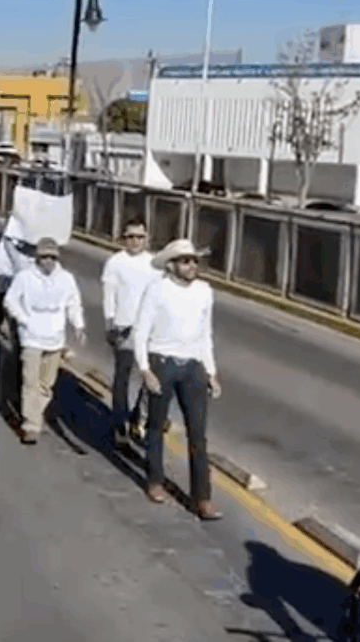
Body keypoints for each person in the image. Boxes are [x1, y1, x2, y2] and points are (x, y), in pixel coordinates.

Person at [132, 238, 222, 521]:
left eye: (194, 260)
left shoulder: (205, 292)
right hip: (162, 362)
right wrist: (145, 369)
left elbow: (205, 334)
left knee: (198, 434)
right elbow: (141, 331)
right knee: (156, 425)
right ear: (172, 265)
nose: (192, 265)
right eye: (185, 261)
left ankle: (202, 498)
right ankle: (155, 481)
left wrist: (211, 371)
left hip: (193, 366)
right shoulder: (157, 289)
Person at [3, 237, 85, 445]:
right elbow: (10, 300)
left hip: (55, 339)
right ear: (37, 257)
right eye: (44, 256)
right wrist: (25, 320)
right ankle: (31, 424)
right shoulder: (25, 277)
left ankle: (34, 412)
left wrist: (78, 325)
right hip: (31, 338)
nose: (48, 261)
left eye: (52, 257)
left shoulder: (66, 279)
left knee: (45, 384)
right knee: (30, 382)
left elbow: (73, 302)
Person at [100, 217, 158, 448]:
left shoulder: (154, 264)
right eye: (130, 237)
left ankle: (138, 418)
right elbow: (108, 296)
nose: (135, 241)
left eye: (139, 237)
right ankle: (119, 425)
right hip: (124, 329)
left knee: (150, 380)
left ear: (146, 239)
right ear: (123, 239)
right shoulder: (115, 262)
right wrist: (109, 325)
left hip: (150, 331)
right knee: (123, 379)